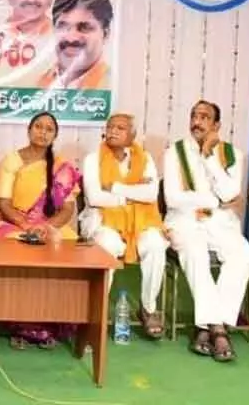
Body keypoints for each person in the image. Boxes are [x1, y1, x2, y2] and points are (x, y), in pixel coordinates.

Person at [163, 100, 249, 362]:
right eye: (194, 115)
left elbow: (231, 193)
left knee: (246, 256)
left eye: (205, 117)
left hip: (220, 222)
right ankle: (219, 329)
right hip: (184, 220)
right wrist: (214, 201)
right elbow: (173, 199)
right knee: (196, 253)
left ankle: (205, 327)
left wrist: (209, 158)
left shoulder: (231, 154)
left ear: (217, 125)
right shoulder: (175, 152)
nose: (197, 121)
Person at [0, 111, 79, 349]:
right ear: (29, 130)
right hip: (14, 223)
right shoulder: (12, 160)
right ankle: (19, 324)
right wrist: (26, 226)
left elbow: (67, 209)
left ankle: (52, 322)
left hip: (50, 225)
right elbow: (3, 202)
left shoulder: (62, 166)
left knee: (69, 248)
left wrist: (47, 227)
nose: (43, 132)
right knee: (17, 249)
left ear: (55, 135)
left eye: (49, 129)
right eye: (38, 127)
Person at [81, 113, 167, 339]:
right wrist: (131, 195)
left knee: (156, 244)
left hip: (141, 221)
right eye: (110, 127)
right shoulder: (92, 159)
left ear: (132, 135)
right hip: (102, 219)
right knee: (107, 245)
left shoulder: (145, 158)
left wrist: (116, 188)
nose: (113, 131)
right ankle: (97, 313)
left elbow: (150, 194)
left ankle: (148, 308)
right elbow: (95, 198)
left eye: (120, 128)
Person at [37, 0, 113, 90]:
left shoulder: (114, 87)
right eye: (63, 26)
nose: (71, 38)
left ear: (105, 34)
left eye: (84, 27)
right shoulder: (36, 84)